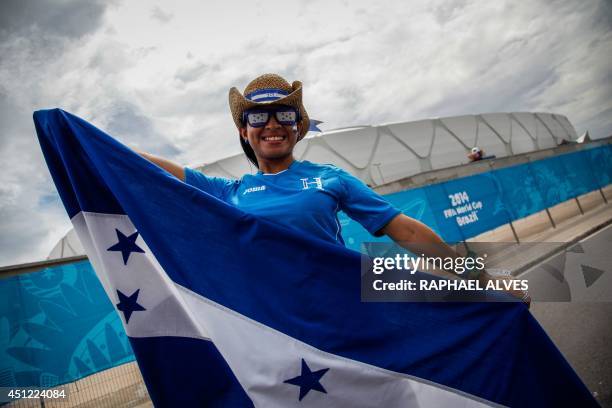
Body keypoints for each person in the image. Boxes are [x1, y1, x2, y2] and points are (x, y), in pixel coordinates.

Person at [138, 73, 529, 305]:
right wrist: (82, 139)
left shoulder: (330, 178)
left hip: (342, 305)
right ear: (244, 130)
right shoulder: (227, 190)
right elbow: (149, 168)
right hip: (276, 322)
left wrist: (482, 281)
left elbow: (406, 230)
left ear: (296, 127)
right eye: (259, 115)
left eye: (284, 114)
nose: (272, 123)